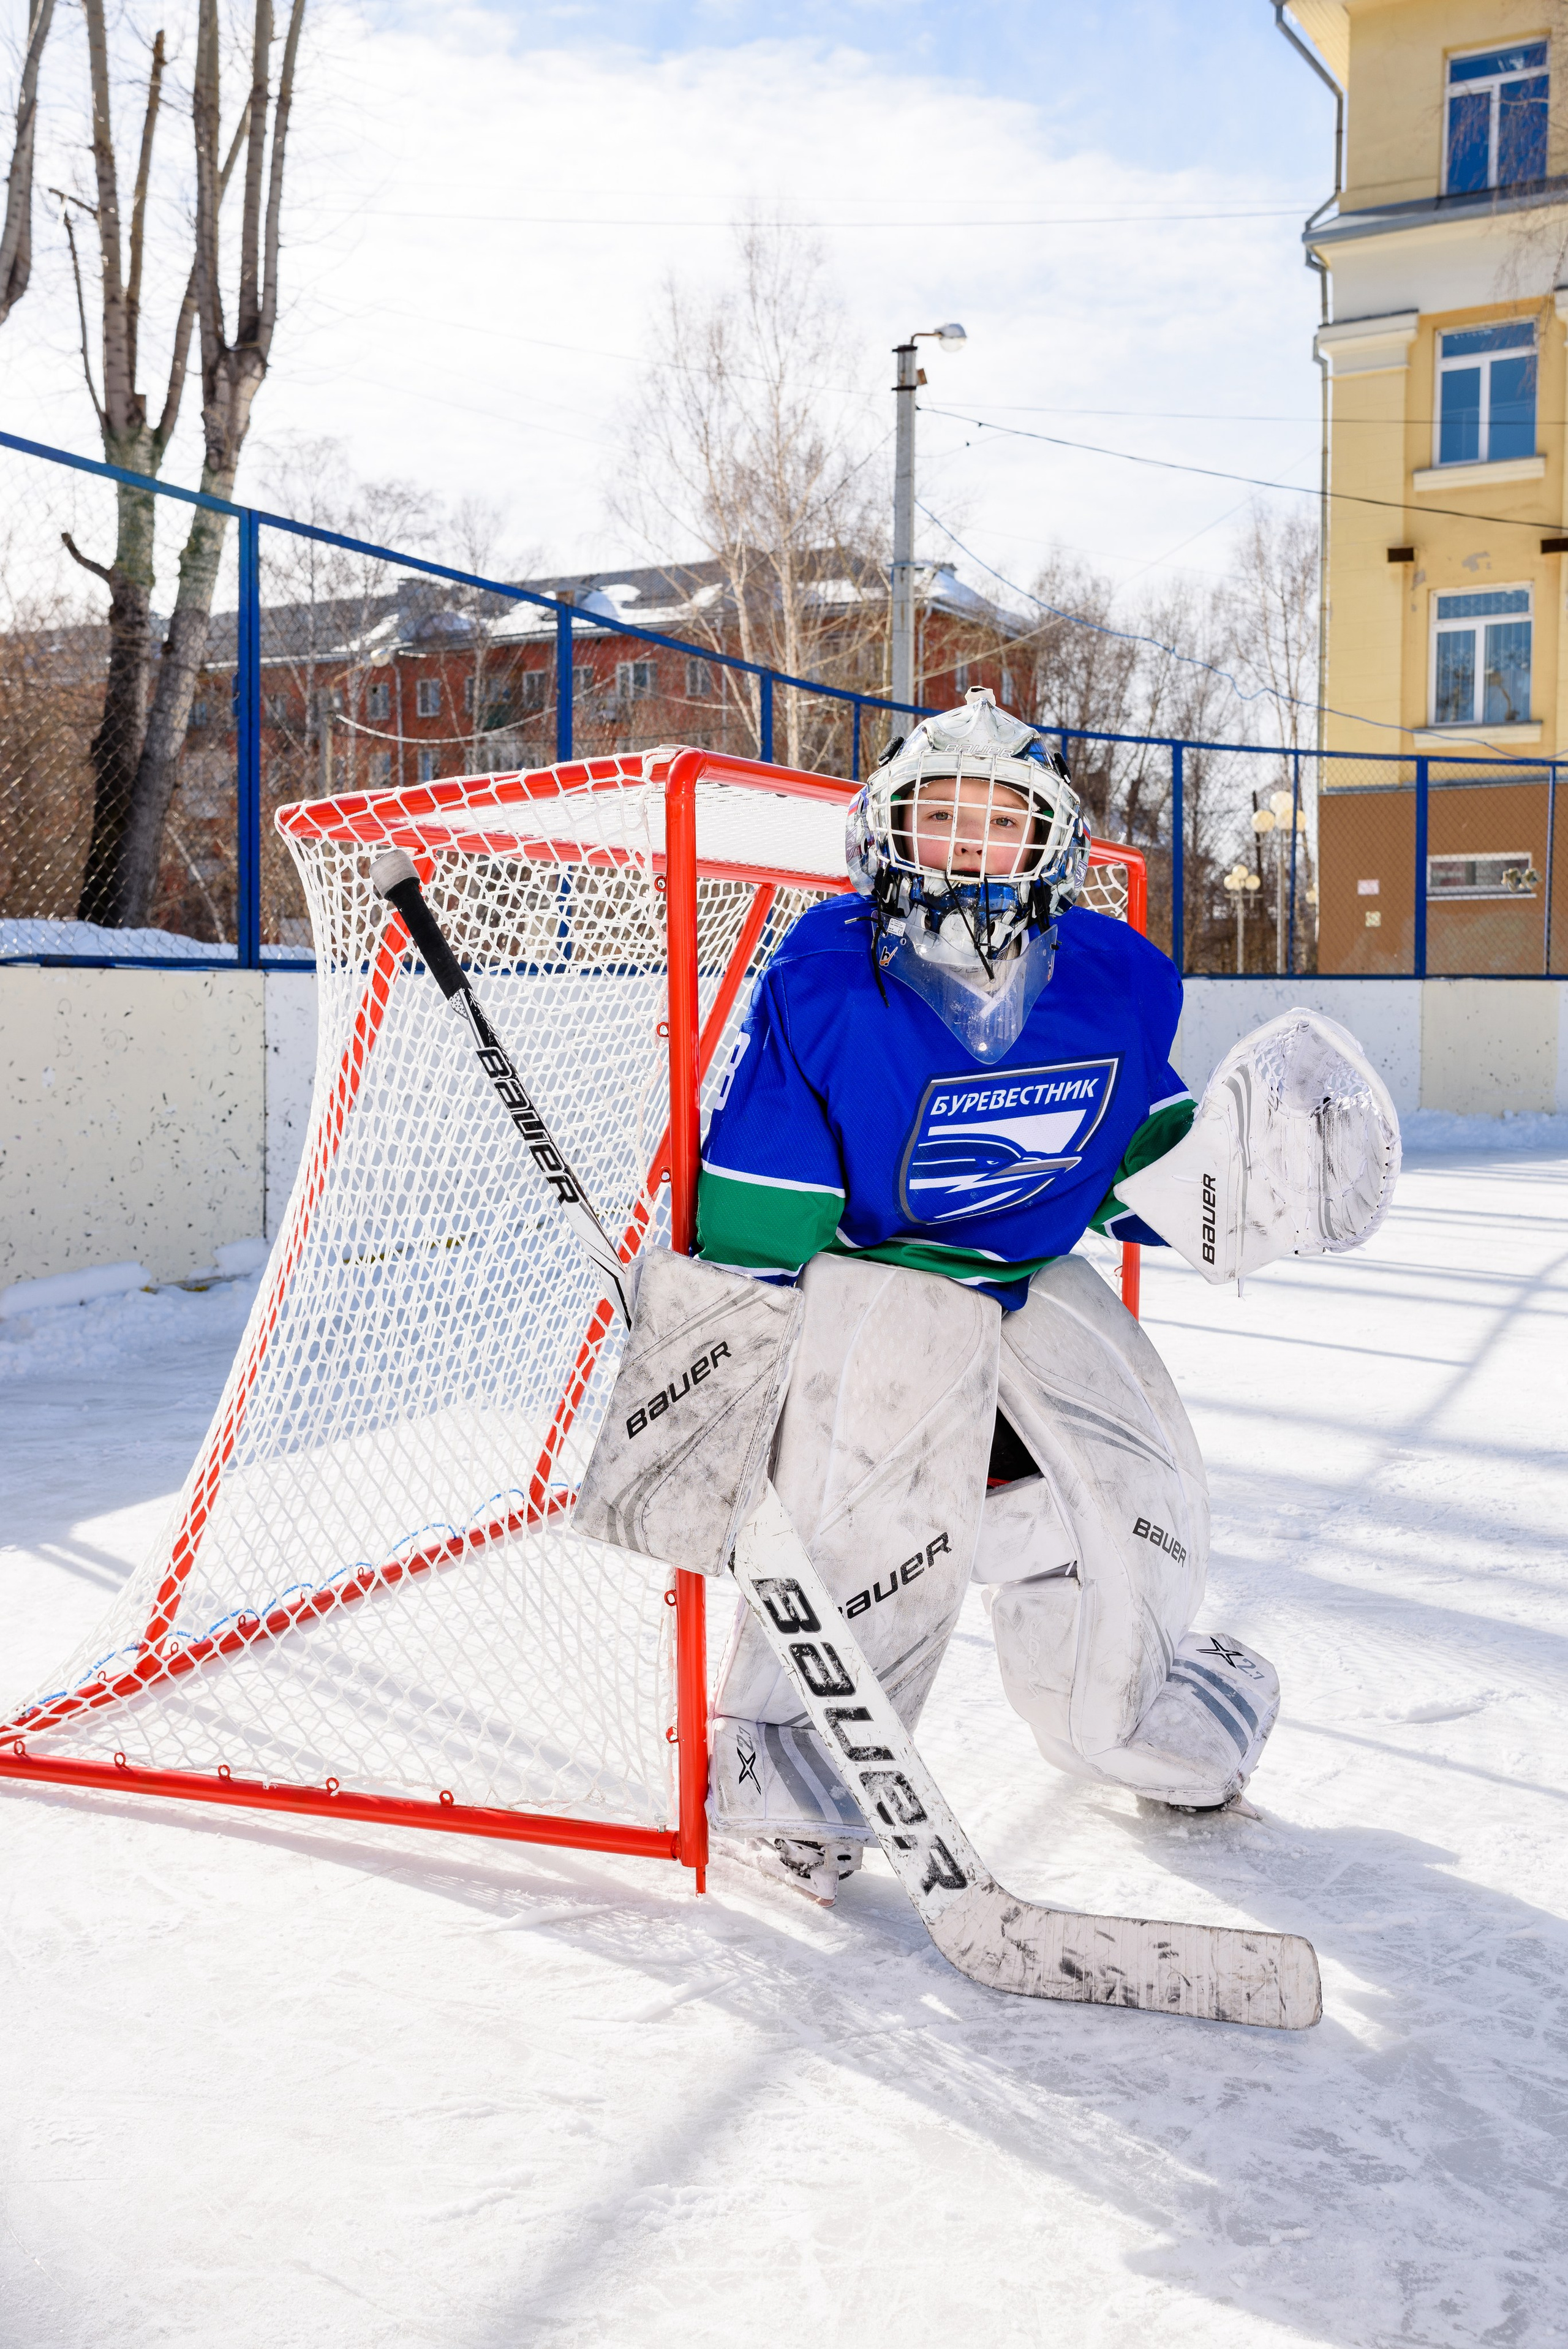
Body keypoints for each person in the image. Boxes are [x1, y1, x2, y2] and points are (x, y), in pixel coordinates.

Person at [690, 688, 1398, 1902]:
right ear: (888, 832)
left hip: (1032, 1292)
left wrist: (1242, 1190)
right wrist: (737, 1366)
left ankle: (1140, 1699)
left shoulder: (1109, 980)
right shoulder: (821, 973)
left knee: (1118, 1501)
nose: (966, 846)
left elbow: (1137, 1163)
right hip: (875, 1309)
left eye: (996, 821)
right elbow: (763, 1203)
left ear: (1047, 845)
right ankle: (787, 1759)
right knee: (892, 1520)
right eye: (940, 817)